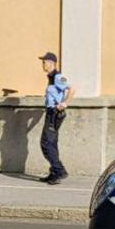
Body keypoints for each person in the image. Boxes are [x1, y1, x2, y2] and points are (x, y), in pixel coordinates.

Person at [39, 52, 74, 185]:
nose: (43, 65)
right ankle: (54, 171)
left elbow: (72, 88)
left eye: (44, 62)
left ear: (52, 63)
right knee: (51, 143)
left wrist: (65, 103)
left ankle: (59, 170)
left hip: (54, 113)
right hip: (50, 112)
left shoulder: (58, 77)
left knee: (46, 143)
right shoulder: (51, 77)